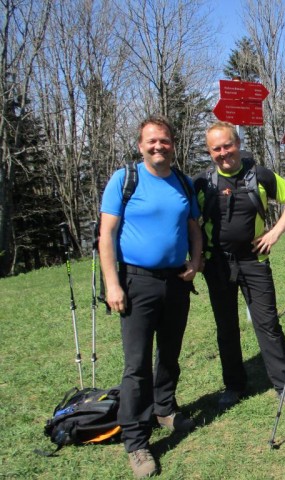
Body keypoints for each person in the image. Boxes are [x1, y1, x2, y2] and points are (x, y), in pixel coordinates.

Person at [100, 116, 202, 478]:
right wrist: (112, 284)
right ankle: (137, 441)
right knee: (137, 365)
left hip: (175, 281)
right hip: (136, 281)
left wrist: (197, 261)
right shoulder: (124, 180)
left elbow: (194, 228)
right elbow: (106, 235)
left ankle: (165, 409)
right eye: (151, 141)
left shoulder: (184, 184)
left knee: (170, 353)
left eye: (164, 141)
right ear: (141, 145)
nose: (158, 146)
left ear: (173, 143)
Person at [194, 121, 285, 411]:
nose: (223, 152)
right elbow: (189, 221)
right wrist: (196, 256)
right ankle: (234, 385)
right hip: (217, 265)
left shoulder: (260, 175)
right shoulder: (202, 183)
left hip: (254, 261)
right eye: (216, 148)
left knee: (267, 323)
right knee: (226, 327)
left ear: (238, 144)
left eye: (227, 145)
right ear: (209, 152)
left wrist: (275, 232)